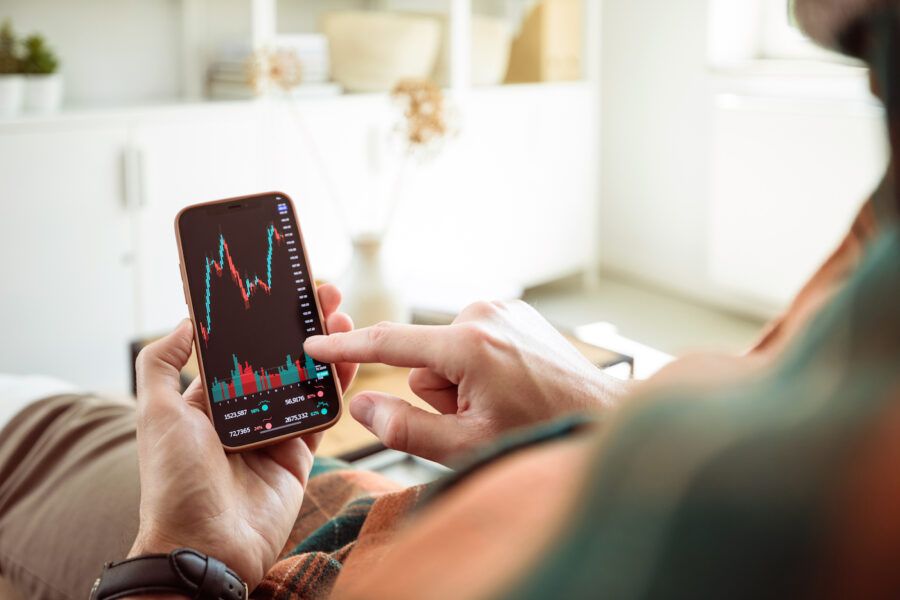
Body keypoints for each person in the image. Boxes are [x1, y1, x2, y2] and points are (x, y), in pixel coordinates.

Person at [1, 1, 899, 598]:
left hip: (254, 568)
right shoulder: (875, 253)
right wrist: (597, 412)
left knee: (33, 434)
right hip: (358, 513)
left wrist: (178, 548)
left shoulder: (787, 507)